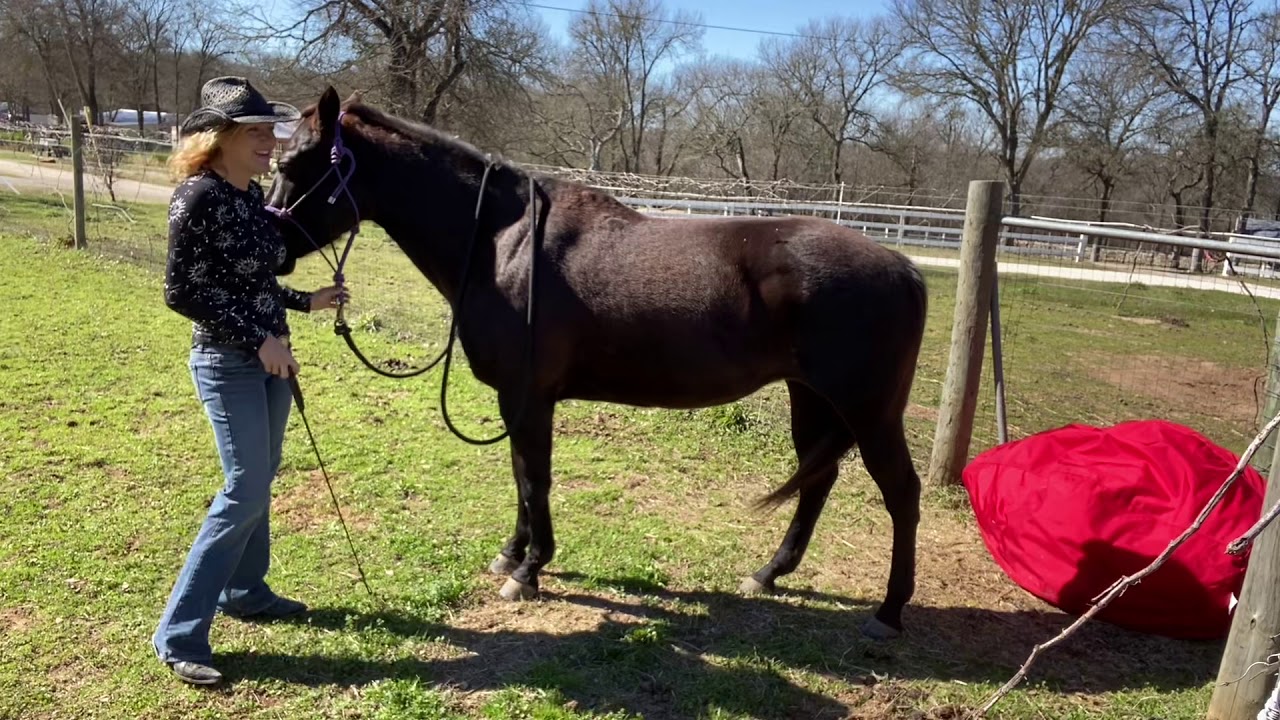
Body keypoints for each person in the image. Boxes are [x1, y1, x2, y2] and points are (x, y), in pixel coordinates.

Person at [151, 76, 347, 686]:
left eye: (270, 129)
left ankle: (245, 591)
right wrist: (258, 339)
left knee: (260, 479)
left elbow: (253, 280)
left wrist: (305, 301)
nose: (270, 140)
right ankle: (179, 635)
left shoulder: (250, 194)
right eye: (256, 131)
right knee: (244, 489)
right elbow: (181, 291)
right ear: (220, 138)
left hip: (270, 359)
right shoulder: (197, 197)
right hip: (227, 360)